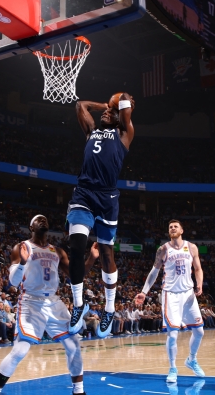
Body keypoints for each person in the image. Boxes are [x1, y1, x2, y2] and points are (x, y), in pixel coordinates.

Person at [0, 215, 97, 395]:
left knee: (73, 344)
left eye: (46, 219)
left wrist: (92, 258)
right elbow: (13, 282)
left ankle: (79, 391)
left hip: (53, 302)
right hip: (31, 301)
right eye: (38, 219)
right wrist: (23, 263)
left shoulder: (57, 251)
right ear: (30, 226)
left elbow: (76, 275)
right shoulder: (22, 247)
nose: (43, 220)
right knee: (20, 350)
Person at [66, 93, 135, 339]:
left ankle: (109, 308)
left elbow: (126, 107)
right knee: (77, 246)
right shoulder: (91, 131)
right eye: (104, 113)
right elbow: (80, 105)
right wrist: (104, 105)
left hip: (107, 198)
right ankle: (77, 304)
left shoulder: (124, 134)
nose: (105, 114)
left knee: (106, 253)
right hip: (83, 194)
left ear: (118, 118)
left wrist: (120, 100)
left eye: (110, 113)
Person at [134, 219, 205, 383]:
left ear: (182, 230)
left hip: (188, 294)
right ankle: (173, 368)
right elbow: (154, 272)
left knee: (199, 331)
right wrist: (144, 292)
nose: (172, 228)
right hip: (170, 295)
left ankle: (191, 360)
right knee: (172, 335)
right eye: (170, 227)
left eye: (175, 226)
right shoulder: (163, 249)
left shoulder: (192, 247)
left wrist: (199, 283)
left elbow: (198, 268)